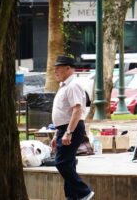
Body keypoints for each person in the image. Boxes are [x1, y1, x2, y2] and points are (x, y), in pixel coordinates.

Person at [50, 55, 94, 200]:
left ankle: (84, 192)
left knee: (61, 162)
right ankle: (73, 197)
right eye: (55, 69)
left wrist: (68, 132)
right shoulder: (64, 86)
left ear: (68, 68)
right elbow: (63, 113)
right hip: (64, 128)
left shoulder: (73, 85)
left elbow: (77, 110)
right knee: (68, 163)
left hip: (72, 128)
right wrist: (57, 134)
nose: (55, 71)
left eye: (58, 69)